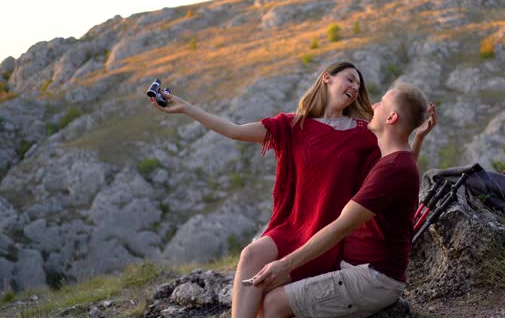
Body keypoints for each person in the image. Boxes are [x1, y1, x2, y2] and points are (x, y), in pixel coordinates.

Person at [149, 62, 429, 317]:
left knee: (269, 299)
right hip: (292, 225)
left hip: (327, 234)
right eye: (350, 79)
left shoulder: (363, 132)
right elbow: (233, 130)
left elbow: (396, 168)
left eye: (359, 84)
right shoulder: (294, 125)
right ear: (327, 78)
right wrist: (185, 107)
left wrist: (416, 137)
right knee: (250, 256)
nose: (356, 88)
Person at [252, 83, 436, 318]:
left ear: (391, 118)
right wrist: (418, 136)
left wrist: (285, 264)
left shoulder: (393, 168)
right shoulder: (396, 162)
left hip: (372, 278)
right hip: (362, 270)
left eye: (380, 103)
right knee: (266, 290)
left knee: (273, 303)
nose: (372, 106)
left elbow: (341, 227)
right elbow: (406, 166)